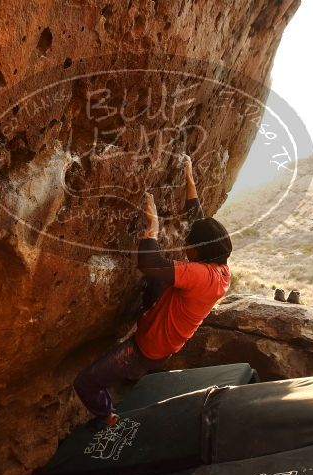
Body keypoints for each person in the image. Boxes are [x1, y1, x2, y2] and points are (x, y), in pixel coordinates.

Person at [73, 155, 232, 427]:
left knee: (86, 382)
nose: (184, 244)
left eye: (189, 244)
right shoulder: (218, 265)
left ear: (200, 250)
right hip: (167, 338)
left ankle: (108, 416)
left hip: (147, 347)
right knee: (160, 281)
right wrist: (189, 175)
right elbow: (198, 218)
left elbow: (148, 263)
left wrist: (152, 229)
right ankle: (135, 366)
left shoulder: (199, 275)